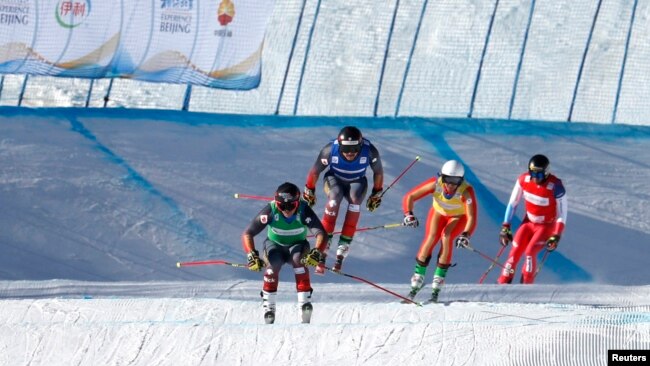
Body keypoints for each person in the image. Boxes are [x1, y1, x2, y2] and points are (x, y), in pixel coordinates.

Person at [241, 182, 327, 324]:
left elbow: (321, 233)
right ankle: (269, 308)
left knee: (298, 260)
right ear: (277, 203)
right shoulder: (271, 210)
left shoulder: (303, 209)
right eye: (282, 206)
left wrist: (317, 252)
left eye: (290, 206)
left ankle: (305, 303)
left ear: (297, 202)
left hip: (297, 245)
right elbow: (247, 233)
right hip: (275, 245)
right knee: (273, 266)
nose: (286, 210)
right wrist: (251, 255)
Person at [302, 126, 384, 274]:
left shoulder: (370, 150)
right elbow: (315, 171)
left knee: (354, 201)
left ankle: (343, 246)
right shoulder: (329, 151)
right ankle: (324, 246)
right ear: (339, 145)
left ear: (360, 145)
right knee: (334, 198)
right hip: (335, 179)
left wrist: (376, 193)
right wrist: (309, 190)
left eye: (354, 149)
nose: (350, 154)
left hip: (357, 181)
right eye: (345, 149)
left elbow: (378, 172)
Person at [402, 160, 477, 303]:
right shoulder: (435, 184)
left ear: (461, 180)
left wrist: (466, 234)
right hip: (438, 213)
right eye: (447, 180)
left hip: (457, 217)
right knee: (431, 238)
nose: (450, 185)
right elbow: (410, 197)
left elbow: (472, 216)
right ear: (441, 176)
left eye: (455, 181)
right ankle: (417, 279)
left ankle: (437, 283)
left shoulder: (466, 191)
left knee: (446, 236)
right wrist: (408, 214)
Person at [497, 154, 567, 284]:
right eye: (532, 174)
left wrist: (556, 235)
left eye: (539, 175)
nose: (535, 178)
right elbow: (513, 203)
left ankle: (526, 286)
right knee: (514, 252)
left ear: (546, 173)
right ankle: (503, 283)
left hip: (545, 226)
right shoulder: (524, 180)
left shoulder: (555, 186)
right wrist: (505, 226)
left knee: (529, 253)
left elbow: (562, 214)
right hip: (528, 223)